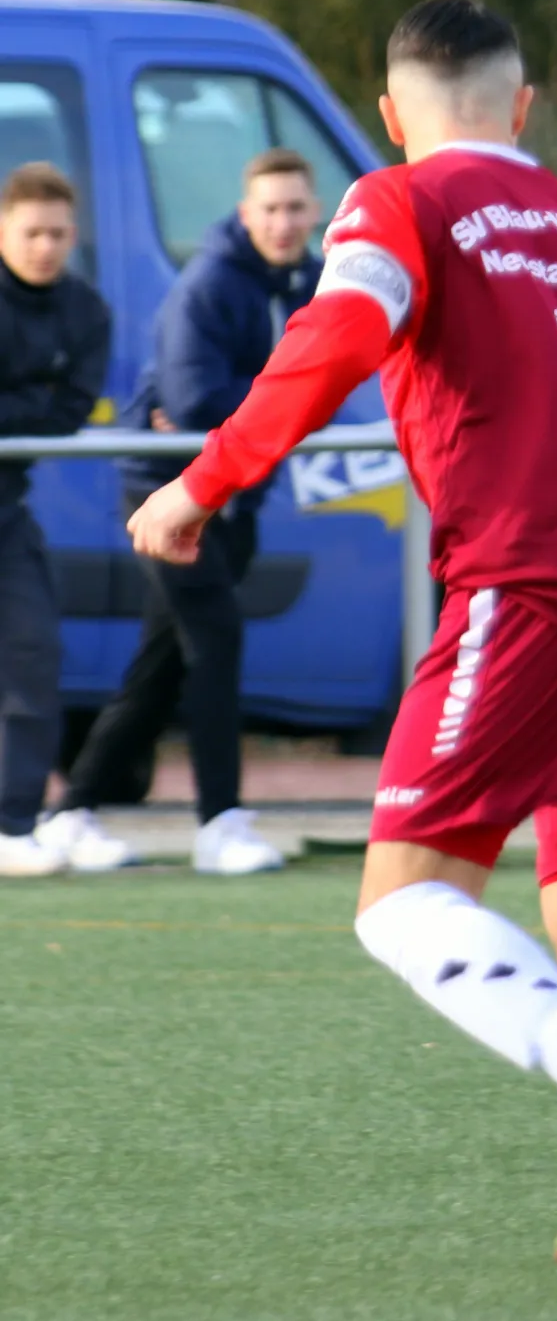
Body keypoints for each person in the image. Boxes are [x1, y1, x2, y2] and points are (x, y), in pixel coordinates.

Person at [127, 0, 557, 1302]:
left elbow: (335, 333)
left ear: (392, 116)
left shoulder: (401, 202)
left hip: (529, 583)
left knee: (404, 900)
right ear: (525, 106)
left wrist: (206, 478)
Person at [40, 149, 326, 876]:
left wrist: (271, 402)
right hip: (166, 494)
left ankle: (72, 812)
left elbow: (317, 385)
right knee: (215, 638)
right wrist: (283, 399)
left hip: (236, 495)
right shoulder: (210, 284)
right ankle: (221, 822)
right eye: (270, 209)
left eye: (296, 207)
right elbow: (192, 400)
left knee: (163, 664)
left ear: (315, 210)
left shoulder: (315, 282)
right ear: (245, 213)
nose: (284, 223)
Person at [0, 163, 110, 877]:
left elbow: (69, 411)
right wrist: (31, 403)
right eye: (31, 232)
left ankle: (11, 825)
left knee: (34, 651)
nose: (45, 246)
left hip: (6, 510)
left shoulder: (86, 310)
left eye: (57, 233)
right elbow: (47, 408)